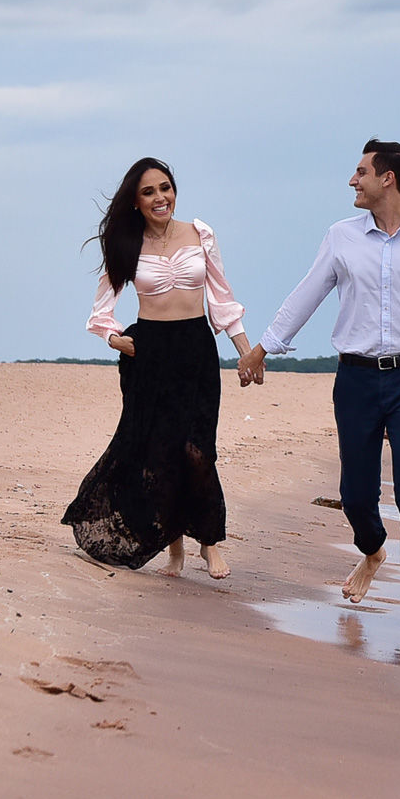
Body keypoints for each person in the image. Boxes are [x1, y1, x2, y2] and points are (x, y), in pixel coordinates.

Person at [236, 139, 400, 632]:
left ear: (387, 178)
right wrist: (262, 348)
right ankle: (373, 551)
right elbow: (306, 295)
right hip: (355, 378)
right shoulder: (341, 236)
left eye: (361, 172)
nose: (352, 181)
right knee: (356, 495)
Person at [63, 158, 252, 579]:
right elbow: (101, 311)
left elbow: (222, 300)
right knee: (160, 454)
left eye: (165, 188)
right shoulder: (127, 245)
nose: (159, 197)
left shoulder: (200, 234)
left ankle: (210, 544)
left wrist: (244, 352)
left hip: (196, 350)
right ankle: (175, 549)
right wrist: (114, 338)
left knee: (198, 450)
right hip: (148, 353)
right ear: (136, 201)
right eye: (148, 192)